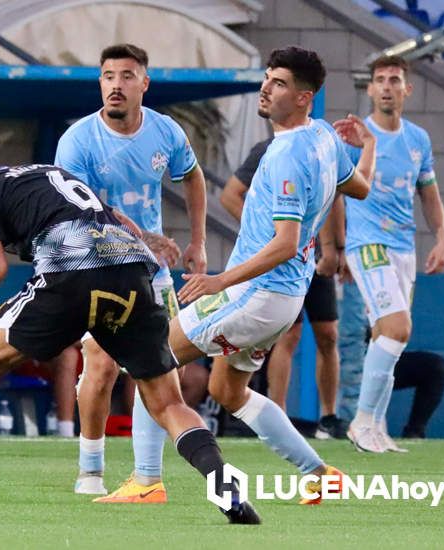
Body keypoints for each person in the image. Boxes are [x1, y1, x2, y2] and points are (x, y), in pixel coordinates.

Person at [0, 123, 259, 524]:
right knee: (167, 401)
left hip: (74, 270)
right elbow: (118, 218)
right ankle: (228, 491)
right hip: (133, 269)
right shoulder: (42, 174)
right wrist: (147, 243)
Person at [166, 46, 374, 504]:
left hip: (255, 293)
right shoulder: (323, 137)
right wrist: (368, 148)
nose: (265, 88)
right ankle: (320, 472)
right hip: (282, 301)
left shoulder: (284, 154)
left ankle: (145, 482)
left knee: (153, 357)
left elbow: (284, 243)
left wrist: (221, 280)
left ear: (303, 97)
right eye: (267, 78)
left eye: (278, 83)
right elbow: (360, 186)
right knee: (226, 389)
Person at [54, 43, 208, 501]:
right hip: (98, 265)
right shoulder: (78, 141)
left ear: (144, 83)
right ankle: (91, 471)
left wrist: (197, 242)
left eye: (126, 76)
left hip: (153, 273)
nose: (115, 85)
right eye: (107, 76)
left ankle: (147, 479)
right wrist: (141, 235)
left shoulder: (165, 132)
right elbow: (80, 211)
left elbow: (194, 176)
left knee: (160, 370)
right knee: (99, 366)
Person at [342, 55, 444, 453]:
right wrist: (334, 247)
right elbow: (340, 195)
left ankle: (377, 428)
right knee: (397, 327)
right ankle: (362, 421)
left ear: (407, 89)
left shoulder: (418, 139)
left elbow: (428, 193)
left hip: (404, 249)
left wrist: (442, 236)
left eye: (394, 80)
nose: (387, 86)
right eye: (380, 80)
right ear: (370, 89)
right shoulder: (356, 136)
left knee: (387, 337)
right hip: (367, 243)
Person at [221, 138, 348, 439]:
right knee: (287, 335)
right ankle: (276, 414)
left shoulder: (320, 148)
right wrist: (266, 233)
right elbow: (230, 195)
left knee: (329, 334)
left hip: (313, 259)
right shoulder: (267, 150)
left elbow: (337, 196)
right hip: (282, 262)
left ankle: (328, 418)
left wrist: (336, 249)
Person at [337, 280, 444, 438]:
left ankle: (414, 433)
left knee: (436, 367)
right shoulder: (345, 281)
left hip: (374, 356)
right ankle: (346, 424)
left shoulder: (384, 277)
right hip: (345, 363)